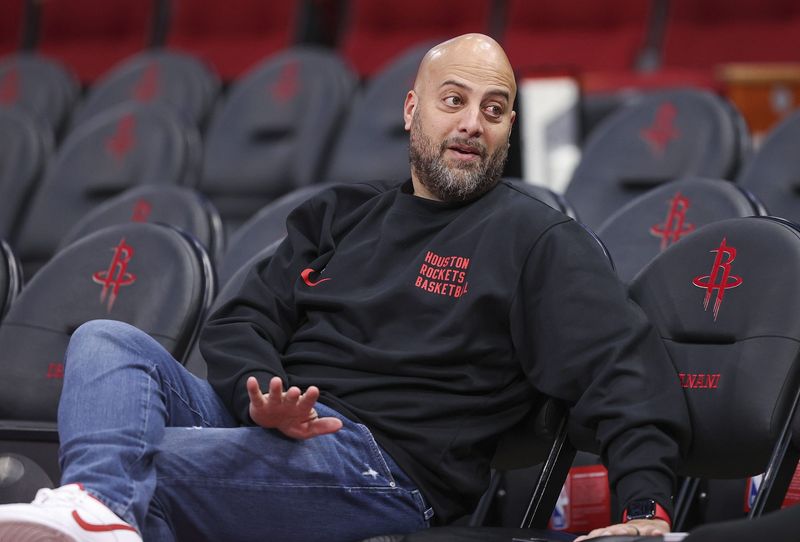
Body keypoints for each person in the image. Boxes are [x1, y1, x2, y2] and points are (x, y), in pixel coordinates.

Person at [0, 33, 689, 541]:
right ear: (413, 109)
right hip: (269, 428)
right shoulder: (340, 214)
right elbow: (242, 322)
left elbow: (623, 370)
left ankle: (95, 509)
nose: (473, 123)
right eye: (455, 100)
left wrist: (645, 507)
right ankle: (99, 512)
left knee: (137, 463)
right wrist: (260, 398)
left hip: (378, 467)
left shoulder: (534, 239)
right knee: (104, 340)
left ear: (509, 129)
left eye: (495, 108)